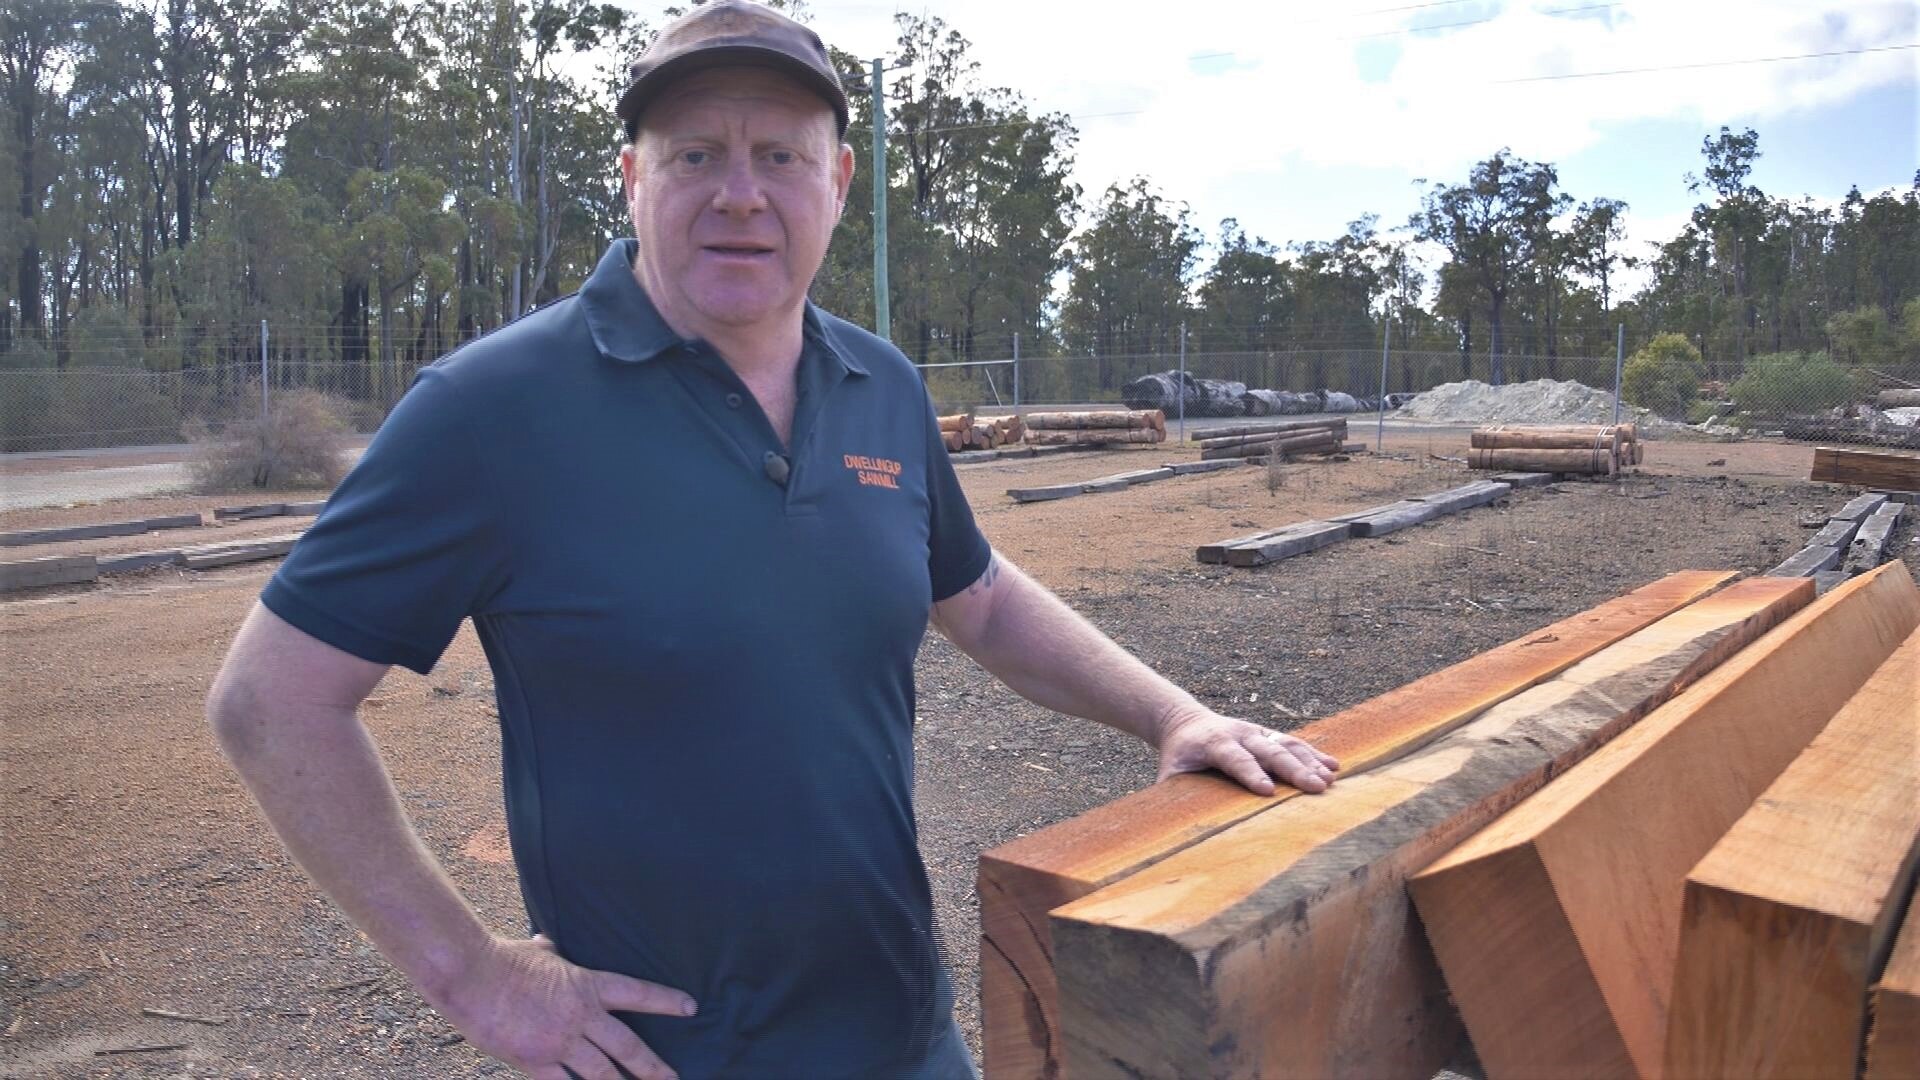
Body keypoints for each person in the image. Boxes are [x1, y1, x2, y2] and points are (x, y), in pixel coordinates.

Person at [205, 3, 1338, 1077]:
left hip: (905, 1035)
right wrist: (470, 976)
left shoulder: (878, 384)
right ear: (632, 179)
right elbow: (271, 698)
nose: (740, 195)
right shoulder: (494, 409)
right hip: (666, 1056)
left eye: (780, 157)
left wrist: (1173, 713)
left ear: (838, 183)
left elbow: (978, 594)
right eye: (695, 155)